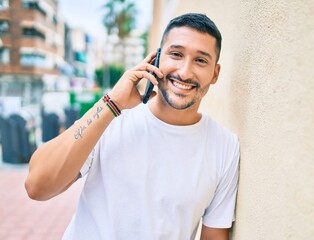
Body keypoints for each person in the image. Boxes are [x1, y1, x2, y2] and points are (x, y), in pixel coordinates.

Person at [25, 13, 240, 240]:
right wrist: (111, 104)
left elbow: (214, 236)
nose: (185, 72)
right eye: (176, 54)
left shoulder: (225, 146)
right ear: (155, 60)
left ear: (215, 73)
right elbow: (37, 185)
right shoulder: (111, 118)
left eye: (200, 60)